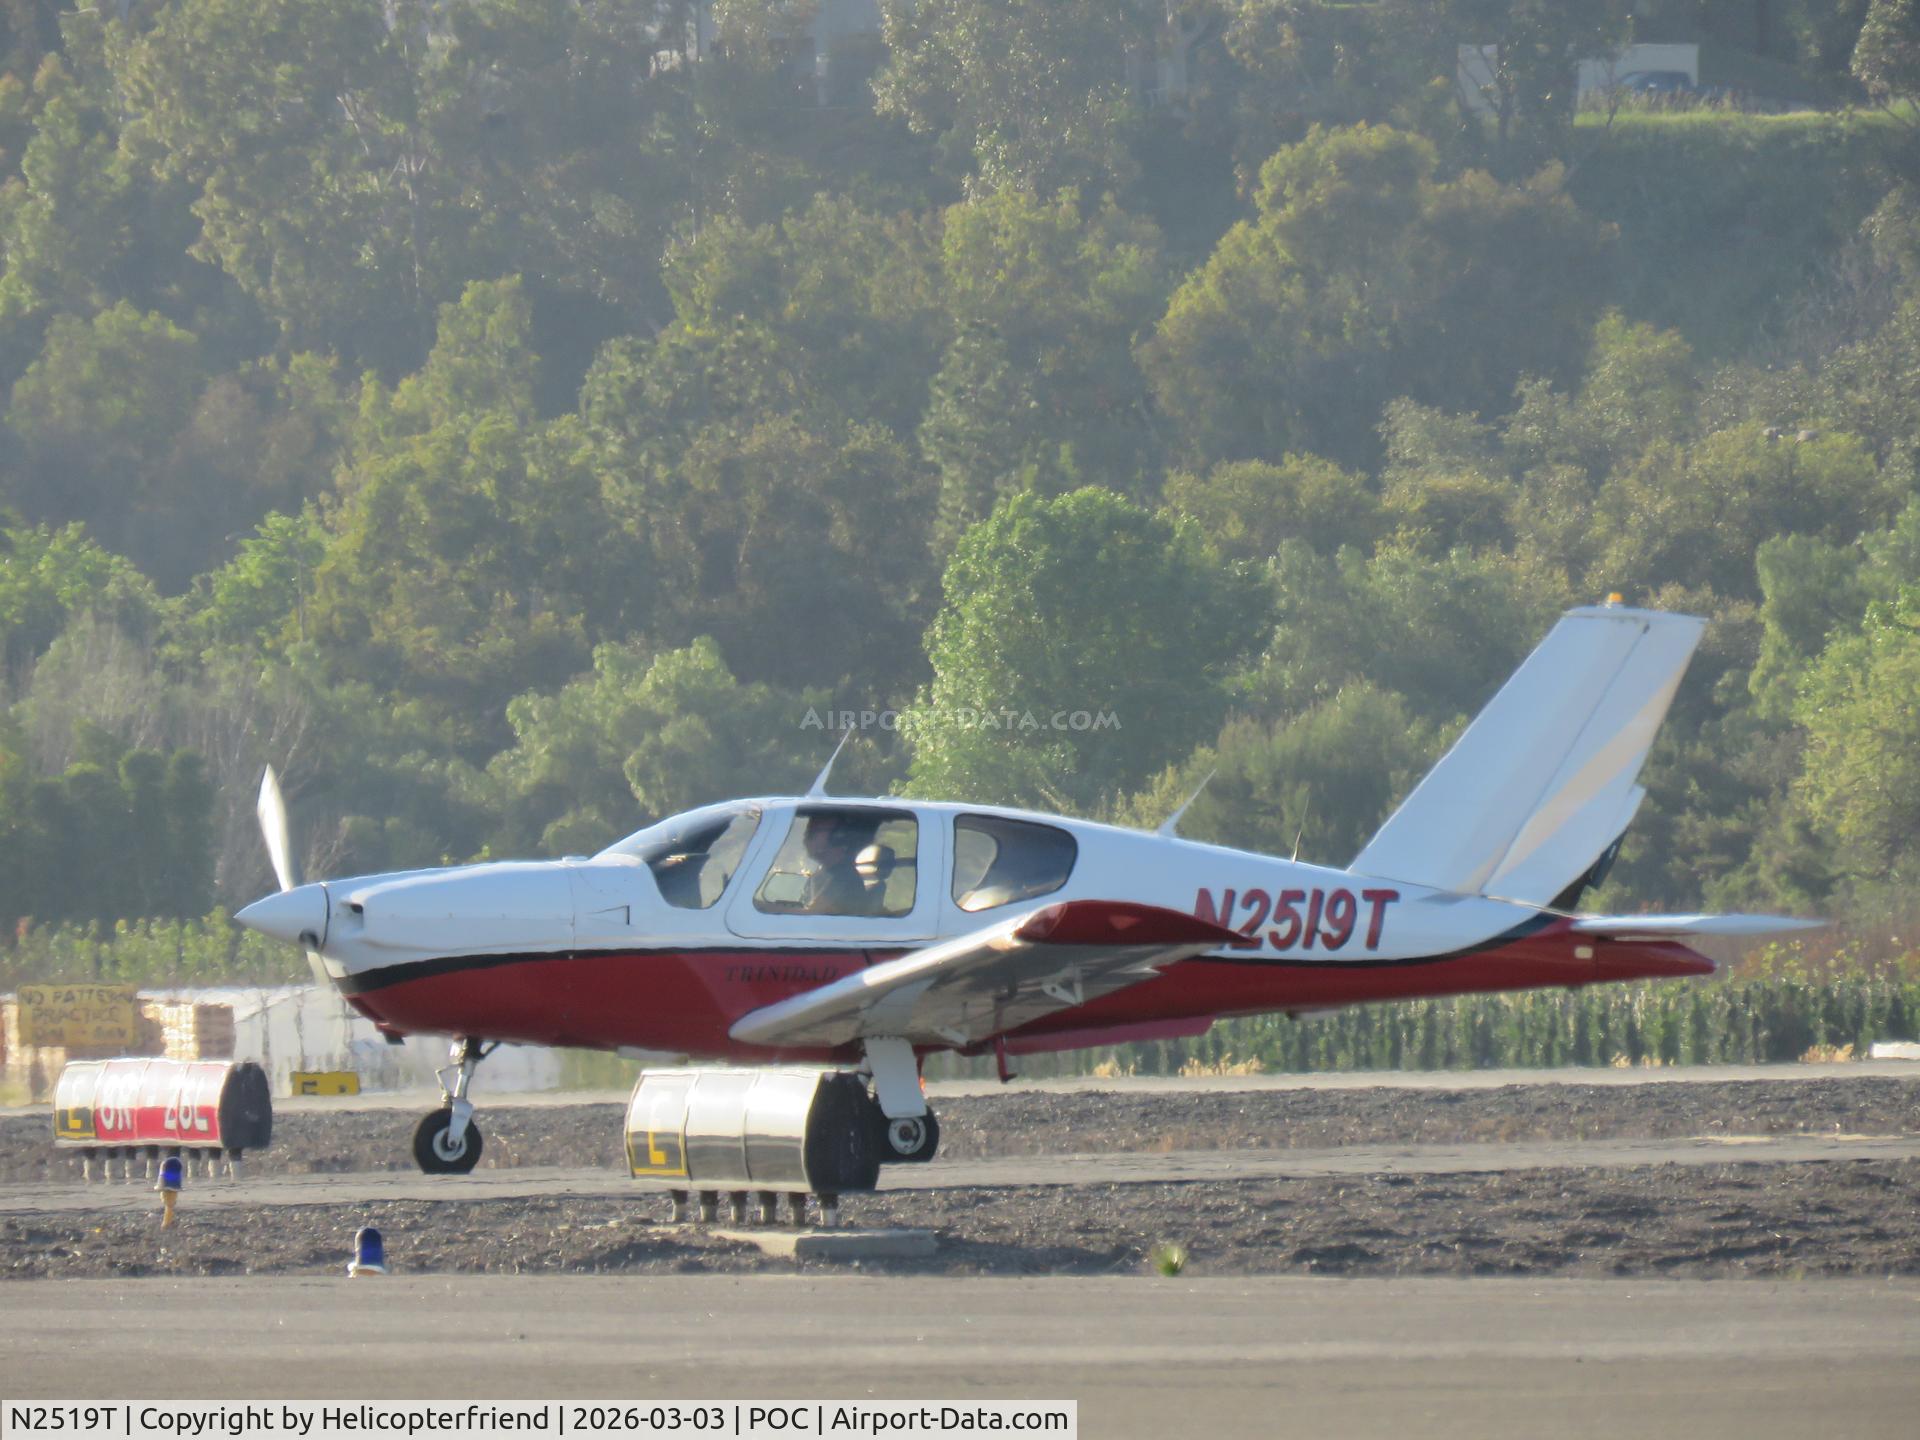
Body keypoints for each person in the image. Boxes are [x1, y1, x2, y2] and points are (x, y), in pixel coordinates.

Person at [798, 814, 882, 915]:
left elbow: (811, 914)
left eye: (812, 832)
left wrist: (775, 910)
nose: (805, 836)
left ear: (837, 836)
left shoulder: (844, 875)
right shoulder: (822, 873)